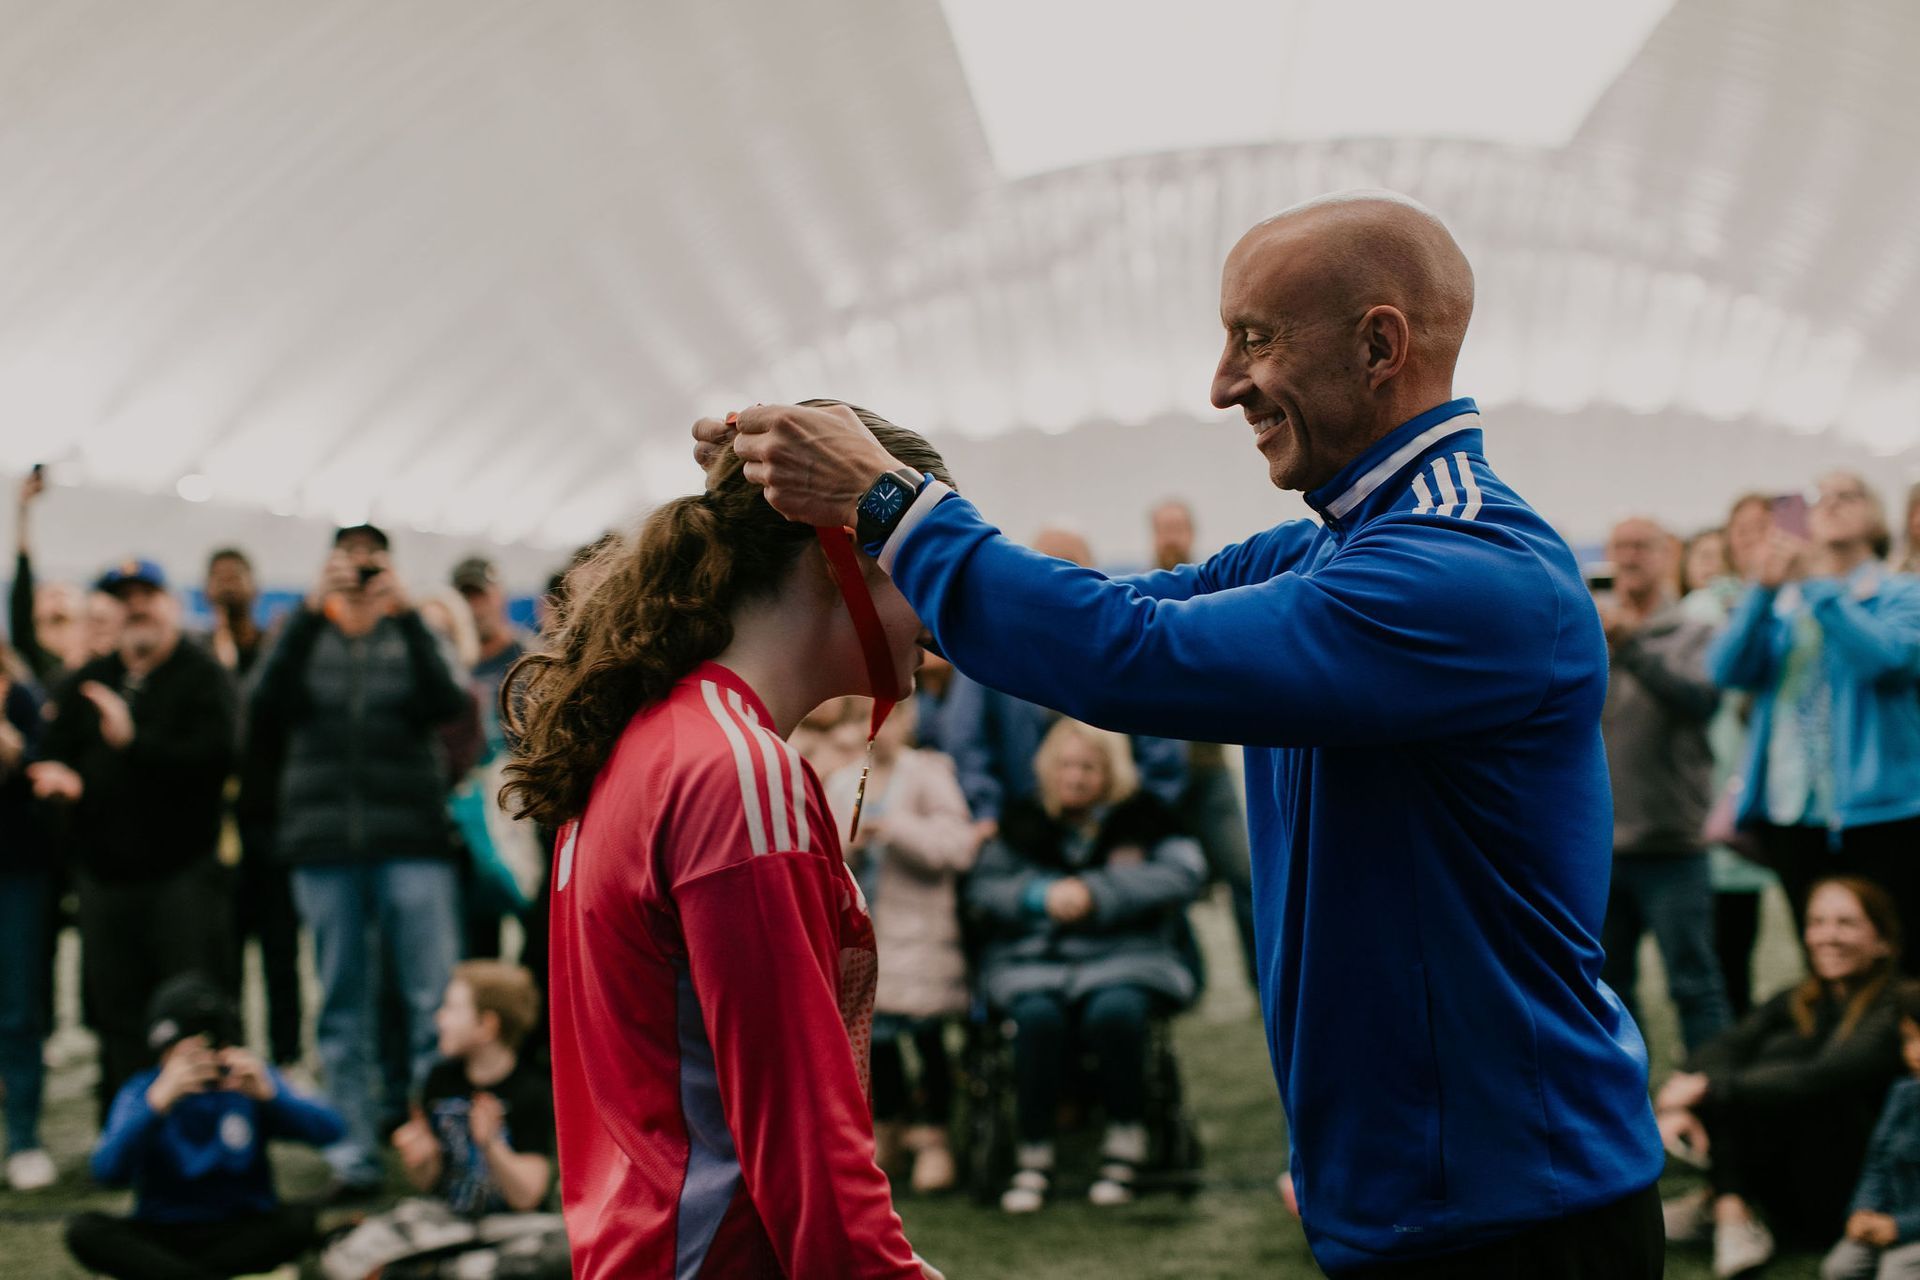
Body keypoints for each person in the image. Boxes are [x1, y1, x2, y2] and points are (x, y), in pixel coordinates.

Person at [699, 191, 1667, 1275]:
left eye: (1253, 339)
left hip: (1516, 1209)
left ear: (1381, 344)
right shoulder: (1339, 549)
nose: (1222, 384)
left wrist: (890, 501)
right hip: (1415, 1190)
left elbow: (1128, 656)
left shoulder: (1460, 571)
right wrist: (851, 518)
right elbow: (1113, 611)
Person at [507, 404, 946, 1278]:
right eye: (922, 570)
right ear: (844, 558)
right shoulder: (735, 770)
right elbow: (799, 1128)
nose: (939, 627)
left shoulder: (646, 737)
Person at [248, 524, 470, 1198]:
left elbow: (447, 703)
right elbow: (263, 707)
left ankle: (442, 1143)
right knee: (341, 1000)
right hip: (323, 841)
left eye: (374, 563)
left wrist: (405, 619)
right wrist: (309, 618)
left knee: (431, 999)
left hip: (412, 837)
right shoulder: (304, 633)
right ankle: (353, 1154)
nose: (362, 574)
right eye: (350, 562)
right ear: (328, 569)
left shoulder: (411, 633)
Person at [965, 719, 1205, 1212]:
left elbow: (1184, 872)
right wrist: (1038, 895)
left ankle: (1126, 1140)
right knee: (1035, 1019)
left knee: (1116, 1012)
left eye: (1088, 767)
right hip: (1037, 961)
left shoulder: (1145, 819)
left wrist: (1099, 893)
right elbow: (984, 887)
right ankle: (1034, 1151)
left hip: (1125, 957)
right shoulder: (1022, 823)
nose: (1074, 778)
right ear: (1047, 771)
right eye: (1065, 766)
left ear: (1112, 772)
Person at [28, 558, 237, 1118]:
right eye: (126, 598)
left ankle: (202, 1126)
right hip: (105, 880)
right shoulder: (88, 680)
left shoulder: (200, 675)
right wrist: (59, 779)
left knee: (190, 1004)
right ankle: (126, 1122)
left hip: (181, 876)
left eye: (148, 594)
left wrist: (134, 741)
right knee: (114, 1011)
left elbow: (218, 759)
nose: (137, 606)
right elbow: (53, 750)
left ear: (170, 603)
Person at [1708, 471, 1920, 954]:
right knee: (1822, 957)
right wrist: (1762, 591)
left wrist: (1818, 587)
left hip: (1881, 815)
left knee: (1899, 955)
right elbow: (1726, 670)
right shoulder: (1784, 601)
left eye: (1850, 494)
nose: (1832, 504)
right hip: (1792, 811)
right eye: (1821, 497)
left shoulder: (1903, 593)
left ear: (1877, 517)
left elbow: (1885, 661)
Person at [1659, 877, 1907, 1274]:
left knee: (1780, 1069)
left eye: (1846, 923)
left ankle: (1726, 1204)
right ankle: (1729, 1207)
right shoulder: (1805, 997)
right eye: (1818, 922)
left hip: (1864, 1193)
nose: (1828, 936)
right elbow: (1723, 1047)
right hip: (1798, 1180)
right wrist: (1684, 1097)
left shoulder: (1898, 1007)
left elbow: (1825, 1077)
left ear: (1883, 941)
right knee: (1760, 1064)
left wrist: (1706, 1090)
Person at [65, 973, 344, 1280]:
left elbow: (332, 1131)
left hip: (241, 1227)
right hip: (164, 1231)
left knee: (299, 1222)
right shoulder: (145, 1089)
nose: (196, 1063)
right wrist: (155, 1106)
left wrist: (272, 1096)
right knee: (85, 1230)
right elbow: (107, 1171)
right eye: (183, 1053)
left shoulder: (245, 1084)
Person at [319, 961, 567, 1280]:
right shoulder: (440, 1080)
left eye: (451, 1008)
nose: (439, 1018)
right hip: (447, 1220)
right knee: (345, 1252)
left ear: (487, 1026)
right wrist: (422, 1158)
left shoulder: (532, 1092)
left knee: (560, 1250)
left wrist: (491, 1146)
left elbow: (527, 1197)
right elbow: (429, 1183)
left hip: (511, 1228)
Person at [825, 697, 977, 1194]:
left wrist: (897, 831)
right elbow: (824, 851)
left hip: (921, 936)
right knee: (879, 1040)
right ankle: (886, 1126)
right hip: (871, 938)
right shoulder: (844, 781)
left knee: (925, 1036)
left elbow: (955, 845)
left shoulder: (930, 774)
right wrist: (853, 841)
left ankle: (932, 1135)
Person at [1596, 516, 1732, 1053]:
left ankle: (1712, 1112)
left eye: (1641, 547)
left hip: (1674, 843)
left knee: (1694, 985)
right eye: (1620, 547)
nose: (1629, 558)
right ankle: (1629, 1112)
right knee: (1609, 991)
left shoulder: (1694, 631)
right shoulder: (1593, 630)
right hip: (1603, 847)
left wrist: (1631, 646)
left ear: (1667, 555)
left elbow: (1700, 697)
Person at [1148, 496, 1259, 986]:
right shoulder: (1141, 600)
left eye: (1179, 528)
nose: (1172, 536)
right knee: (1165, 883)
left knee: (1245, 878)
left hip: (1209, 770)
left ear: (1190, 532)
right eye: (1164, 528)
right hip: (1156, 773)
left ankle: (1264, 983)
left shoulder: (1212, 589)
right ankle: (1181, 979)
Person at [204, 547, 303, 1069]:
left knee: (280, 952)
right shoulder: (201, 656)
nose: (227, 587)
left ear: (255, 587)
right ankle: (230, 1049)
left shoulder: (275, 651)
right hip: (219, 835)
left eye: (235, 577)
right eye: (218, 578)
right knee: (225, 956)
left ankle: (286, 1054)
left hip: (273, 824)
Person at [1682, 521, 1779, 1018]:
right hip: (1709, 793)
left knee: (1732, 935)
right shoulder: (1698, 613)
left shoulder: (1765, 609)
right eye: (1704, 558)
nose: (1714, 568)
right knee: (1718, 946)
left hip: (1744, 787)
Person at [0, 647, 54, 1191]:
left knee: (17, 1010)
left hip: (15, 871)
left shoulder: (21, 697)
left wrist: (16, 753)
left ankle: (23, 1139)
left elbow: (48, 766)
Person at [1821, 984, 1920, 1280]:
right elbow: (1878, 1161)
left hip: (1907, 1225)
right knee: (1839, 1268)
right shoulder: (1903, 1092)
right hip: (1890, 1218)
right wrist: (1862, 1210)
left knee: (1895, 1271)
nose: (1916, 1051)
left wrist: (1900, 1227)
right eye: (1910, 1039)